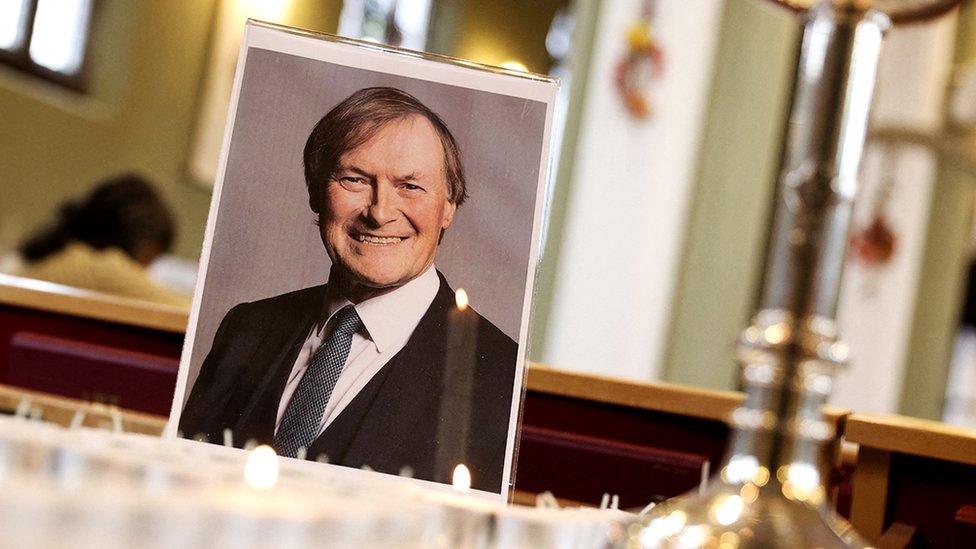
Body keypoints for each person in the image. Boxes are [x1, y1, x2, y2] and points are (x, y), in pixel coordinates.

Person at [179, 87, 518, 492]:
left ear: (449, 207)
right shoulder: (246, 328)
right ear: (316, 191)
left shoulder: (501, 378)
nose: (379, 212)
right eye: (354, 179)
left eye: (410, 186)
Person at [12, 173, 190, 308]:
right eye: (150, 257)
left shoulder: (60, 254)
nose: (145, 271)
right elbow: (188, 316)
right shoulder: (104, 268)